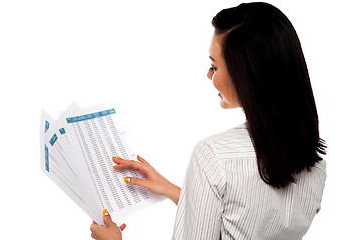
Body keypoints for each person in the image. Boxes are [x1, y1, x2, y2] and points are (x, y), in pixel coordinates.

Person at [90, 2, 327, 239]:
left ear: (245, 74)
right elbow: (246, 218)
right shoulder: (315, 163)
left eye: (214, 66)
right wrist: (179, 192)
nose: (208, 74)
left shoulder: (213, 156)